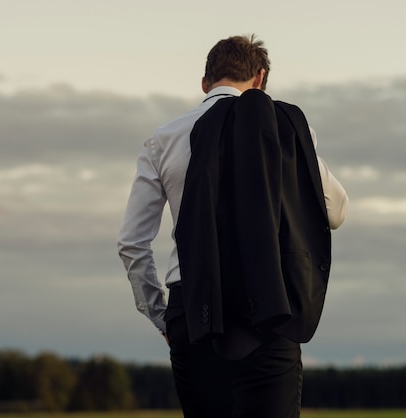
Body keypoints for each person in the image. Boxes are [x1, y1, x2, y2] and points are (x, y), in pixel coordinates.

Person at [117, 35, 348, 417]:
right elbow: (336, 212)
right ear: (260, 79)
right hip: (271, 304)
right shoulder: (286, 128)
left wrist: (162, 314)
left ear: (205, 83)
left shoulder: (163, 139)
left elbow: (132, 243)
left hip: (191, 309)